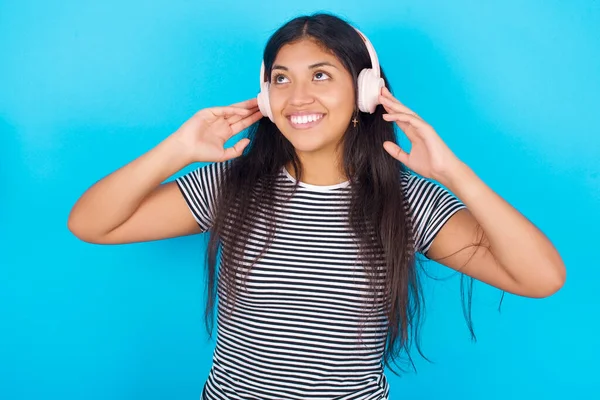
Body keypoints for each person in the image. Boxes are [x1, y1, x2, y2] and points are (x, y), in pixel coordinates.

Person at [68, 12, 566, 400]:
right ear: (264, 97)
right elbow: (90, 223)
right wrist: (176, 149)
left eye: (321, 75)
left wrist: (455, 174)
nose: (296, 97)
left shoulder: (407, 202)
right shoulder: (231, 184)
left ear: (367, 93)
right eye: (281, 79)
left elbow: (541, 277)